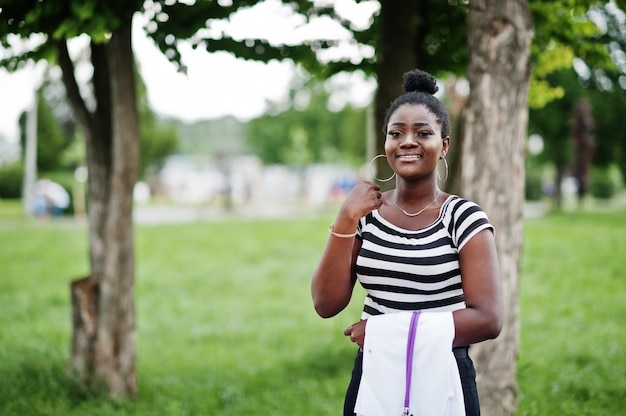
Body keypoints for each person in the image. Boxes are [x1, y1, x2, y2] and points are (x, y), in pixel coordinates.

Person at [311, 69, 502, 416]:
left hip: (444, 373)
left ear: (443, 145)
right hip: (374, 371)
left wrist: (384, 333)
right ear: (385, 144)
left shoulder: (464, 217)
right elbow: (326, 304)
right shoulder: (365, 214)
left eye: (423, 132)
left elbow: (488, 319)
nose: (407, 141)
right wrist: (345, 219)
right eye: (396, 133)